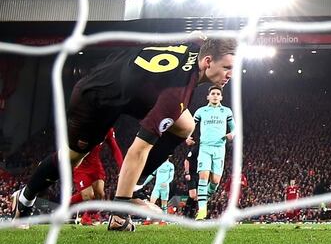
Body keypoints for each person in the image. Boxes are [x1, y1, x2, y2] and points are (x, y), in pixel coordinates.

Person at [11, 35, 237, 231]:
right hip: (96, 97)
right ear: (207, 62)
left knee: (185, 125)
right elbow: (137, 151)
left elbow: (198, 38)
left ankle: (133, 189)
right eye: (227, 67)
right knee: (73, 157)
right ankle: (25, 198)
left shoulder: (197, 49)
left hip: (131, 86)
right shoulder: (176, 94)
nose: (231, 74)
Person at [193, 86, 234, 220]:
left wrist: (231, 134)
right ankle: (202, 211)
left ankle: (205, 197)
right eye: (213, 93)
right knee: (203, 177)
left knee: (215, 181)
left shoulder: (226, 111)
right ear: (208, 96)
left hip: (219, 149)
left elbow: (234, 128)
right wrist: (187, 136)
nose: (215, 95)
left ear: (221, 97)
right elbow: (190, 125)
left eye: (218, 93)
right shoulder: (201, 111)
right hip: (205, 147)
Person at [70, 128, 123, 226]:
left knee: (100, 195)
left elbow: (115, 149)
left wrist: (121, 167)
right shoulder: (84, 124)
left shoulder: (107, 129)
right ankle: (68, 204)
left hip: (95, 166)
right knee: (88, 196)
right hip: (80, 166)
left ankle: (87, 217)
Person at [182, 141, 199, 218]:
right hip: (191, 174)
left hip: (199, 174)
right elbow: (186, 160)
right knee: (192, 195)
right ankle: (185, 214)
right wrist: (187, 173)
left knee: (196, 197)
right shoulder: (196, 149)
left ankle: (191, 216)